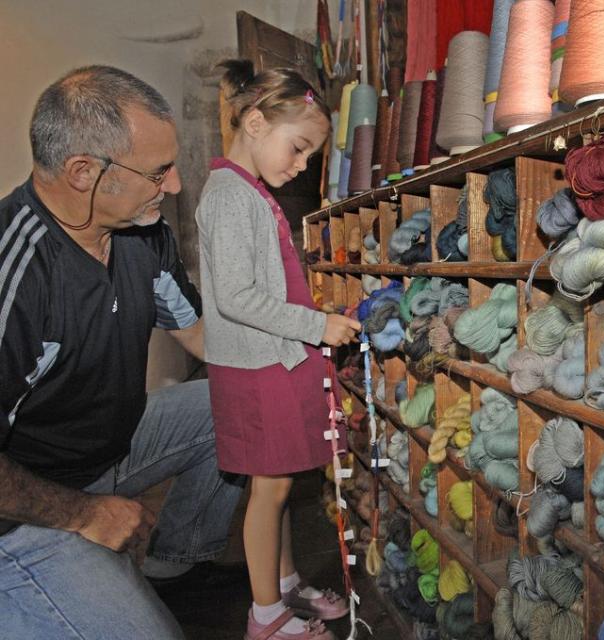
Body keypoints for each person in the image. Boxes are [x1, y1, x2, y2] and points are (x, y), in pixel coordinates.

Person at [0, 65, 244, 640]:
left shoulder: (142, 232)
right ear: (83, 172)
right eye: (158, 172)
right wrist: (84, 514)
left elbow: (199, 335)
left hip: (110, 449)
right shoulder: (17, 275)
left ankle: (178, 562)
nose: (177, 186)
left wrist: (294, 357)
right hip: (22, 508)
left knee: (230, 401)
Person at [196, 60, 361, 640]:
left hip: (273, 360)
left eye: (309, 158)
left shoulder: (249, 192)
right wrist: (315, 325)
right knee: (267, 492)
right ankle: (265, 618)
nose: (299, 167)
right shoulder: (228, 196)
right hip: (255, 367)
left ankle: (284, 586)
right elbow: (239, 297)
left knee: (282, 482)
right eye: (297, 150)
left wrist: (313, 325)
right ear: (258, 122)